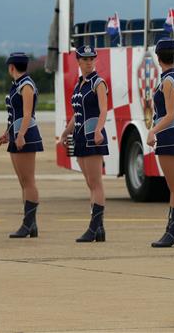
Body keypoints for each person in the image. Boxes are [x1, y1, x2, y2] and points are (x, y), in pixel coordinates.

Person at [56, 45, 109, 243]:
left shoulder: (98, 83)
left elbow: (103, 110)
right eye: (85, 59)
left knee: (96, 183)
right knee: (90, 183)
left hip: (92, 136)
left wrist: (98, 130)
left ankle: (94, 227)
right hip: (79, 136)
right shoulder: (79, 85)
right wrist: (65, 132)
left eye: (91, 59)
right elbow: (77, 114)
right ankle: (99, 228)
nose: (89, 62)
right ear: (78, 61)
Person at [146, 39, 174, 248]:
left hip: (169, 133)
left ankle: (173, 232)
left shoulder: (168, 81)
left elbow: (170, 115)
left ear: (158, 57)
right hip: (172, 133)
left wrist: (152, 130)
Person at [0, 52, 44, 238]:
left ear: (11, 67)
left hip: (26, 135)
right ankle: (29, 224)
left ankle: (29, 223)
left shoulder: (26, 85)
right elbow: (13, 114)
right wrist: (8, 133)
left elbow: (26, 114)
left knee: (28, 181)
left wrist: (21, 134)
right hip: (16, 135)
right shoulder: (16, 85)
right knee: (23, 181)